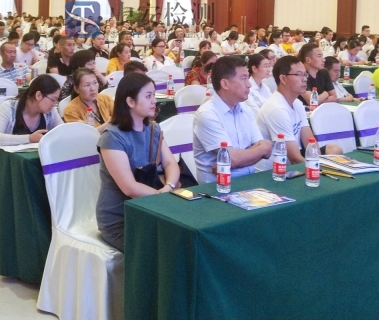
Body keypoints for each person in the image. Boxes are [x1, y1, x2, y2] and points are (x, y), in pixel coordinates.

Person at [97, 72, 180, 252]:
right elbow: (129, 188)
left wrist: (169, 187)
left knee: (182, 237)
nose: (154, 101)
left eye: (154, 95)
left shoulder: (153, 129)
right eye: (148, 96)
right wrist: (162, 196)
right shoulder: (112, 137)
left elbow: (170, 164)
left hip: (151, 208)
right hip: (120, 218)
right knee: (163, 248)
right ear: (130, 101)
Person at [192, 56, 272, 184]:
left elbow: (266, 151)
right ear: (225, 84)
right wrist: (260, 150)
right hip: (218, 187)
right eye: (243, 78)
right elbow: (232, 159)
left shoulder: (245, 109)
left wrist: (263, 148)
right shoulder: (207, 114)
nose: (249, 84)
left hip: (250, 182)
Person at [256, 56, 343, 167]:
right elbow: (294, 159)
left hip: (290, 165)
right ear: (283, 79)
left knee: (334, 149)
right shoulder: (277, 109)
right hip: (275, 170)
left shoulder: (297, 103)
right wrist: (321, 169)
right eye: (299, 74)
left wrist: (319, 162)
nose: (305, 79)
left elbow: (310, 142)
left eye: (305, 74)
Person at [63, 68, 114, 132]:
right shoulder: (70, 109)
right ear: (76, 89)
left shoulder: (105, 98)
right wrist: (109, 123)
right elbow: (87, 134)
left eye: (95, 83)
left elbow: (119, 118)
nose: (93, 88)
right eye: (87, 85)